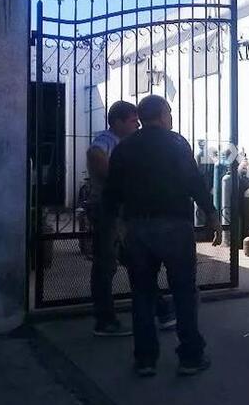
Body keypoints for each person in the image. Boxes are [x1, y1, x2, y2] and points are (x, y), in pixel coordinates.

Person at [104, 95, 222, 377]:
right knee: (183, 291)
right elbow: (194, 181)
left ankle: (145, 360)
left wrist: (116, 226)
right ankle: (190, 358)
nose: (171, 117)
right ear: (162, 115)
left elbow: (111, 192)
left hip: (138, 228)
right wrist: (211, 213)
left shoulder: (125, 147)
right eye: (169, 112)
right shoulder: (176, 143)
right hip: (175, 227)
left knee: (142, 294)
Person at [86, 101, 176, 337]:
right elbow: (96, 157)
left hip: (124, 212)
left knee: (138, 262)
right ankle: (105, 321)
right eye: (132, 121)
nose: (137, 124)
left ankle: (162, 311)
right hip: (108, 211)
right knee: (107, 264)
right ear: (117, 122)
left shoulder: (130, 143)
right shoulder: (106, 141)